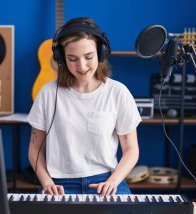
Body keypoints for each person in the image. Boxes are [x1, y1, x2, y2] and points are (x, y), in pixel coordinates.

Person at [27, 17, 141, 197]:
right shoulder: (48, 93)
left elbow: (131, 150)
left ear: (101, 52)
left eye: (89, 57)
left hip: (107, 180)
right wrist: (47, 182)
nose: (81, 66)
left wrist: (113, 181)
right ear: (61, 58)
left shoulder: (118, 92)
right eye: (72, 59)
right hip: (58, 184)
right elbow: (34, 149)